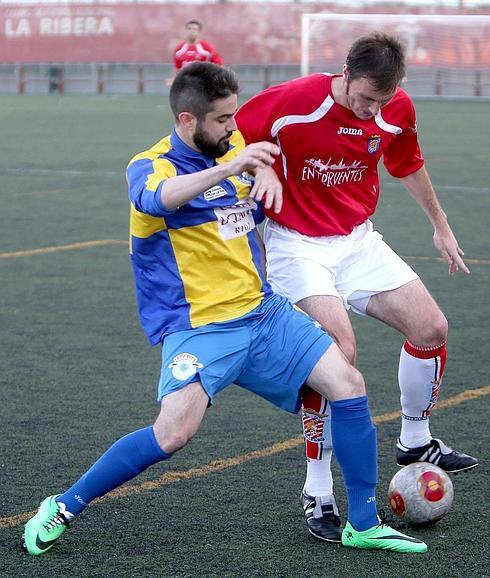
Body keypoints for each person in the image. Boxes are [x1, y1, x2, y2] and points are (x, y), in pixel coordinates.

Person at [22, 62, 428, 557]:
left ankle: (361, 522)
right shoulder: (152, 165)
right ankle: (64, 505)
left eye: (235, 116)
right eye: (222, 119)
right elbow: (155, 200)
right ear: (188, 120)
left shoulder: (235, 149)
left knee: (348, 383)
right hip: (200, 328)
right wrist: (233, 167)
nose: (235, 127)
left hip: (263, 315)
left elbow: (246, 201)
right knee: (173, 433)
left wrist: (260, 175)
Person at [235, 33, 479, 543]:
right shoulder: (292, 102)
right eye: (364, 97)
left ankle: (415, 440)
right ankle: (317, 485)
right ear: (344, 73)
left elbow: (406, 162)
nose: (371, 111)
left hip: (358, 243)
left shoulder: (396, 108)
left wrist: (440, 224)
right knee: (337, 354)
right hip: (297, 247)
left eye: (381, 101)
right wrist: (252, 174)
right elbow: (229, 139)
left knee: (432, 326)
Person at [166, 20, 223, 86]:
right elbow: (177, 67)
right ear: (185, 31)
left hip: (203, 85)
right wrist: (174, 79)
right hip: (185, 86)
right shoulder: (179, 49)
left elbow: (219, 66)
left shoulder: (207, 48)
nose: (192, 31)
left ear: (199, 32)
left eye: (195, 29)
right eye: (189, 29)